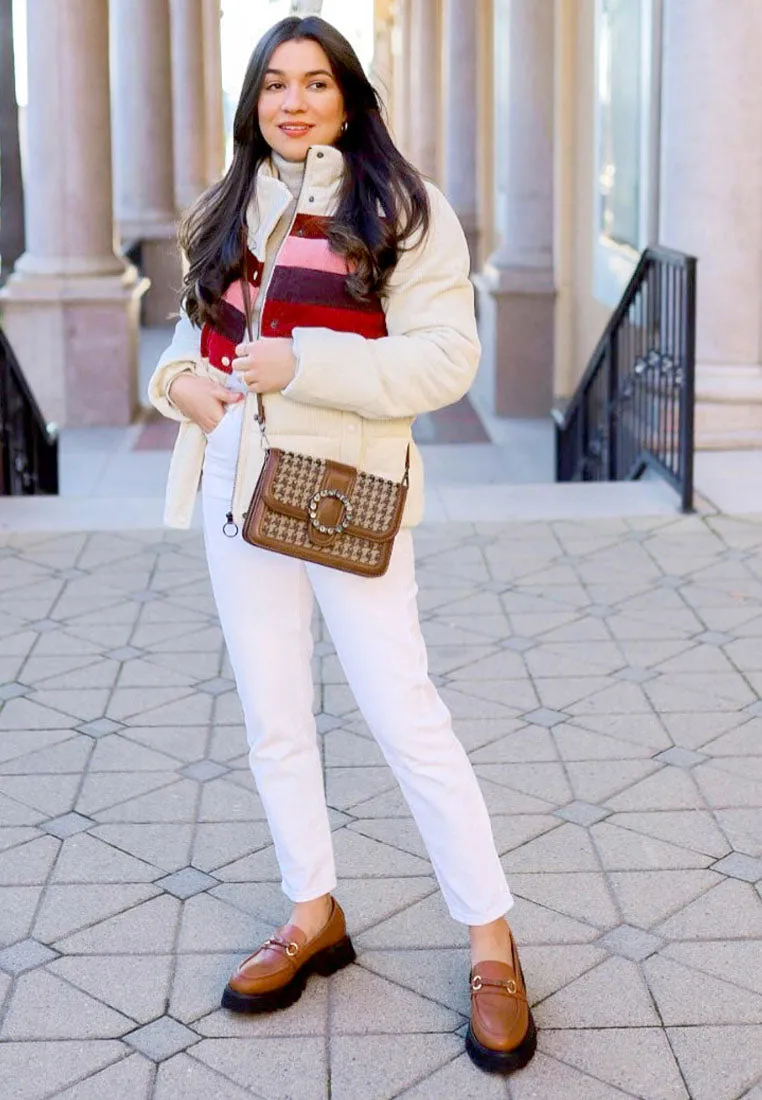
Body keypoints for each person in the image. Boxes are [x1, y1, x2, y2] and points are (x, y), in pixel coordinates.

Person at [148, 14, 535, 1077]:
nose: (292, 102)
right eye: (274, 84)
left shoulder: (402, 208)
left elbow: (445, 358)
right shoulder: (227, 202)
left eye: (315, 83)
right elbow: (196, 331)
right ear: (254, 101)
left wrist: (301, 364)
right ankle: (311, 907)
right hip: (237, 490)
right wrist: (175, 381)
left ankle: (492, 940)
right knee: (274, 718)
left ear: (350, 97)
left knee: (406, 716)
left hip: (345, 496)